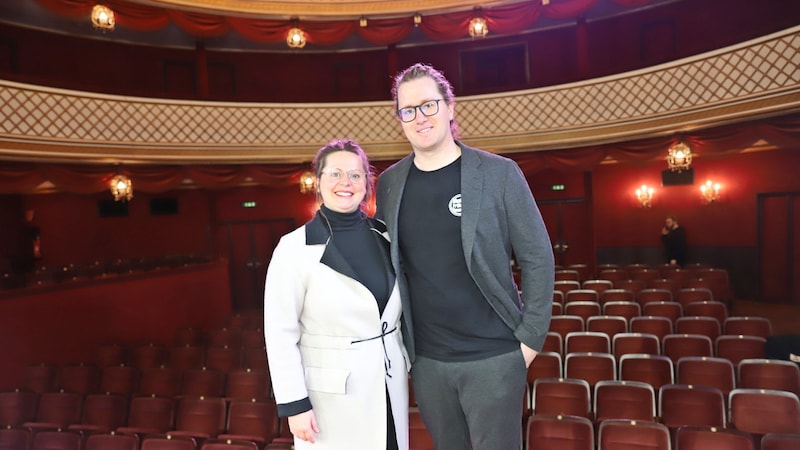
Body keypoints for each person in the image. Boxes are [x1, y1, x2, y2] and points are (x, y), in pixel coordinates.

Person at [376, 63, 554, 450]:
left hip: (494, 356)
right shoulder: (389, 184)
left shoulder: (499, 173)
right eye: (408, 111)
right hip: (428, 363)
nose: (419, 118)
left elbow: (538, 256)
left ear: (450, 106)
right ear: (400, 119)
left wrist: (529, 341)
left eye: (428, 105)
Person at [263, 139, 409, 450]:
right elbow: (280, 333)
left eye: (356, 175)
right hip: (330, 396)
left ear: (367, 184)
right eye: (335, 174)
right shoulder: (293, 248)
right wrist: (294, 405)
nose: (346, 183)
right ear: (318, 181)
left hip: (388, 382)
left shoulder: (385, 236)